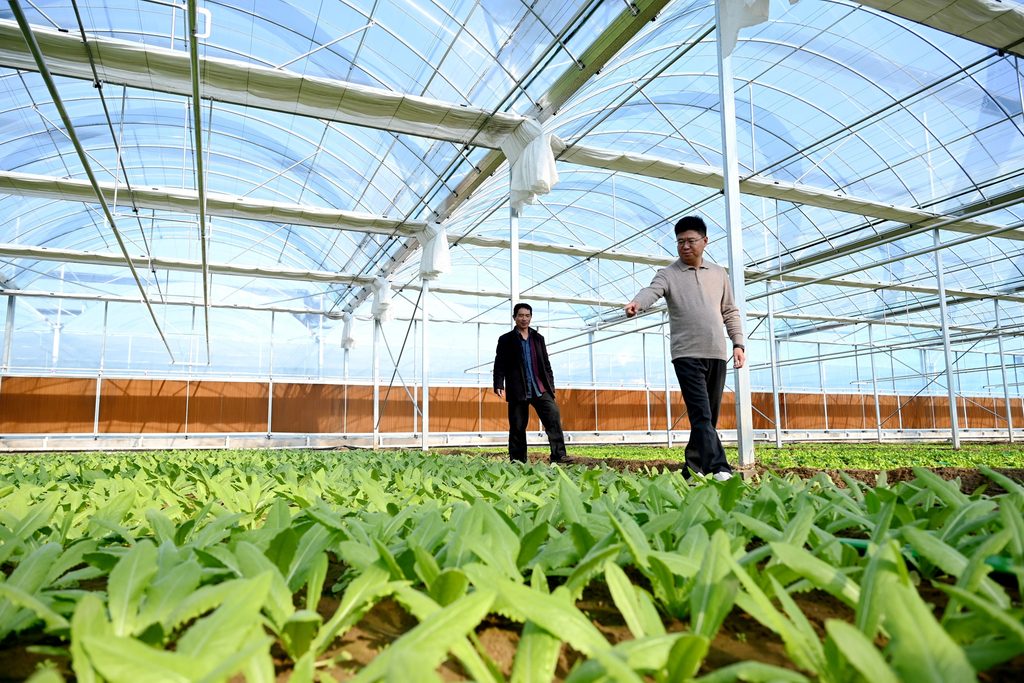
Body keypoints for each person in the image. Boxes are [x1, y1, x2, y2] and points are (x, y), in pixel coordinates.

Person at [624, 215, 746, 481]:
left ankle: (692, 469)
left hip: (716, 352)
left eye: (690, 241)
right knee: (700, 413)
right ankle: (720, 468)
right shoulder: (668, 274)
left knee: (708, 417)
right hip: (686, 354)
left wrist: (738, 343)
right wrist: (637, 303)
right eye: (680, 242)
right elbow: (651, 291)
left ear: (705, 241)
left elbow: (729, 310)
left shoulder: (719, 274)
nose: (685, 246)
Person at [493, 303, 567, 464]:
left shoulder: (538, 339)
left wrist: (551, 386)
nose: (524, 319)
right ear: (514, 317)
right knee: (517, 426)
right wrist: (498, 383)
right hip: (518, 389)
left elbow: (546, 364)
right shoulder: (506, 339)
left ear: (531, 317)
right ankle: (518, 461)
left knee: (553, 417)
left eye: (527, 316)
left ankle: (559, 455)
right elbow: (500, 363)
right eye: (520, 315)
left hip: (539, 387)